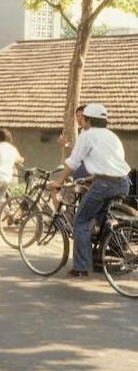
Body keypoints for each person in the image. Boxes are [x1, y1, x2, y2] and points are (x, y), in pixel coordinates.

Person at [48, 103, 131, 277]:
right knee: (102, 217)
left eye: (82, 118)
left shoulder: (87, 136)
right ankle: (103, 254)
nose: (81, 121)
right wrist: (92, 177)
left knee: (80, 221)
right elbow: (111, 163)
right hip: (123, 183)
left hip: (104, 185)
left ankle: (81, 267)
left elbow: (73, 162)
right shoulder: (112, 136)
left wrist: (58, 181)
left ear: (88, 120)